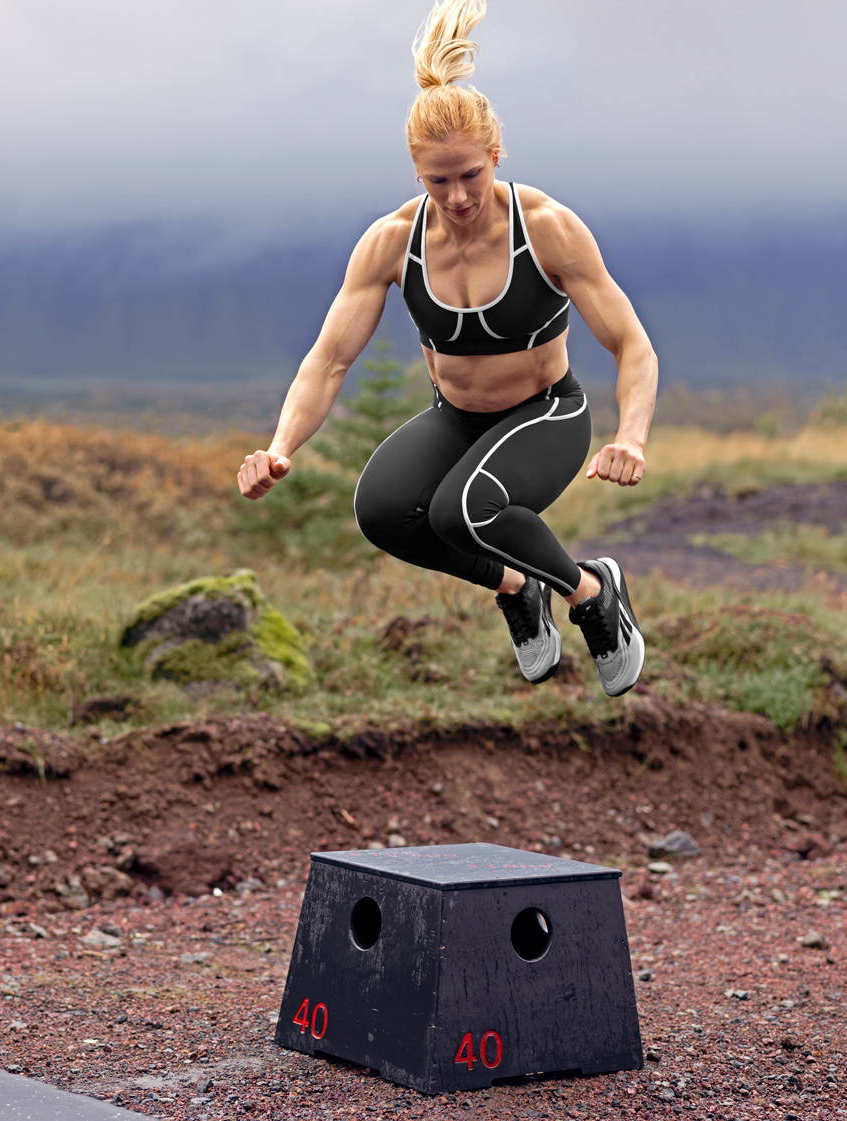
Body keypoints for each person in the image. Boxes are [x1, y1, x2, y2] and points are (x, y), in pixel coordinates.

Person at [236, 0, 657, 697]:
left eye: (471, 174)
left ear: (496, 157)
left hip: (545, 414)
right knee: (383, 511)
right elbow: (330, 358)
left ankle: (591, 594)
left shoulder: (547, 228)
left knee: (460, 510)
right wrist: (282, 446)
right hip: (457, 415)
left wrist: (632, 437)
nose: (458, 195)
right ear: (416, 171)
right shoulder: (390, 242)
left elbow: (632, 344)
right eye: (439, 180)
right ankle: (520, 589)